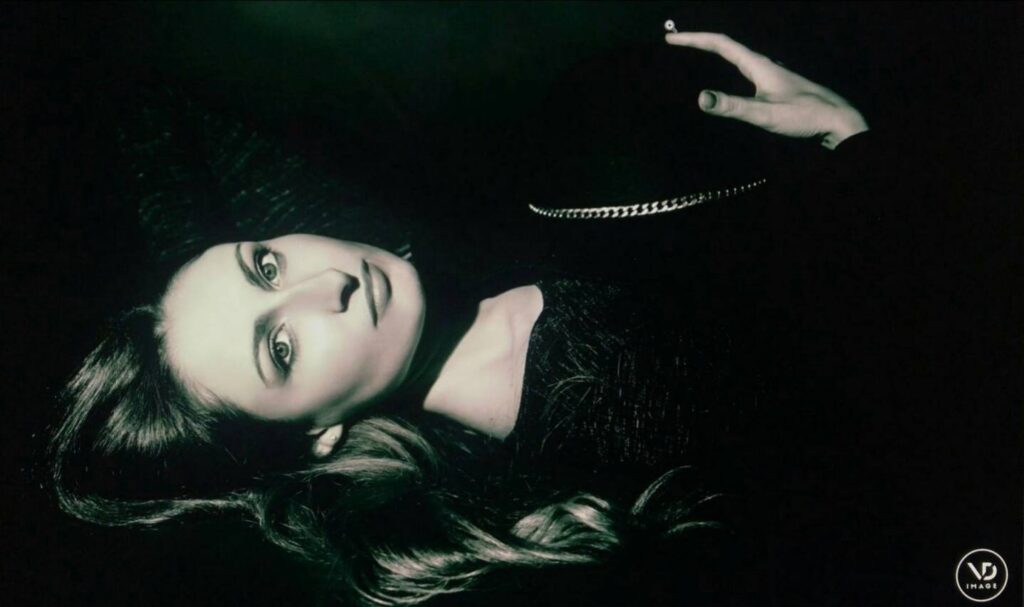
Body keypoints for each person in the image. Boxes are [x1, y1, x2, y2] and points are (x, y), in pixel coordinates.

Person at [49, 31, 876, 606]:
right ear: (317, 437)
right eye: (283, 347)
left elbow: (158, 107)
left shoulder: (459, 242)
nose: (329, 281)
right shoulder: (615, 400)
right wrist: (849, 140)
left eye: (266, 264)